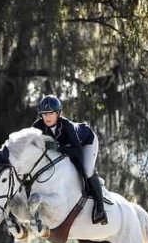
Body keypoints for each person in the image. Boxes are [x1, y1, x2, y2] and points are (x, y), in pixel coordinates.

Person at [32, 95, 108, 225]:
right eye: (44, 114)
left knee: (87, 169)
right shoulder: (37, 126)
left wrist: (58, 147)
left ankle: (100, 208)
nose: (47, 117)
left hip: (86, 142)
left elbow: (77, 152)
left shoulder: (67, 126)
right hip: (68, 147)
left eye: (50, 113)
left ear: (58, 113)